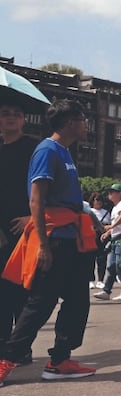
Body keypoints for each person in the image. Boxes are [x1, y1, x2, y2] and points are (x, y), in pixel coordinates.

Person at [0, 100, 98, 385]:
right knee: (41, 301)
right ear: (70, 123)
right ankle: (8, 358)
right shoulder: (47, 150)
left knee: (78, 300)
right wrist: (42, 245)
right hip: (55, 237)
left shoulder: (65, 152)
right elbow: (37, 199)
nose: (85, 125)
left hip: (73, 237)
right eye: (82, 120)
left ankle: (59, 360)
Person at [0, 103, 37, 359]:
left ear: (24, 119)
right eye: (5, 113)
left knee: (23, 290)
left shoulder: (34, 148)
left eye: (17, 113)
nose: (11, 118)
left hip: (25, 230)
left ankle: (20, 348)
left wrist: (32, 217)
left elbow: (44, 186)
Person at [95, 184, 121, 302]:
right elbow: (119, 222)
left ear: (120, 193)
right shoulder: (115, 207)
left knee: (120, 265)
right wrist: (108, 233)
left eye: (113, 191)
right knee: (111, 265)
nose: (110, 194)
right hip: (116, 239)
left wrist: (111, 226)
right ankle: (107, 290)